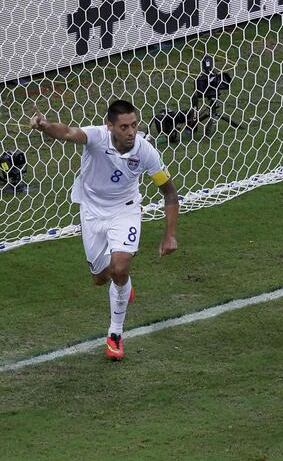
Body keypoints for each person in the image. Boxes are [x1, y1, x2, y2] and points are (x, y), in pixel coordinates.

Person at [30, 99, 179, 361]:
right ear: (109, 125)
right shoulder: (97, 137)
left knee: (120, 267)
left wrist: (170, 234)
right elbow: (67, 132)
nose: (131, 132)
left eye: (134, 125)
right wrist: (45, 126)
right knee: (101, 278)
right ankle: (123, 288)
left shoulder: (145, 152)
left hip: (125, 209)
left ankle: (115, 334)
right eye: (124, 127)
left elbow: (169, 192)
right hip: (91, 211)